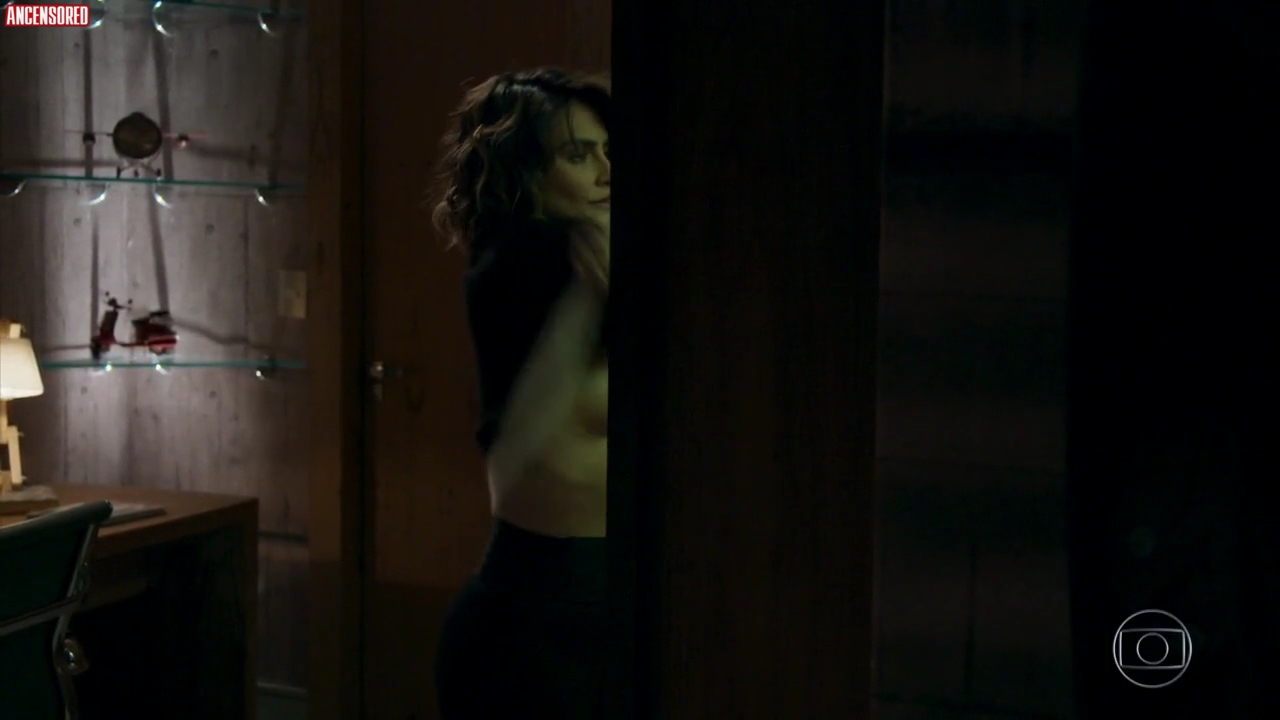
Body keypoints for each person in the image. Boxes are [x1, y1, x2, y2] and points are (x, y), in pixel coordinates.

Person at [428, 67, 611, 719]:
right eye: (578, 155)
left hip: (599, 607)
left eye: (608, 151)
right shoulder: (516, 269)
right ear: (527, 175)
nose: (606, 172)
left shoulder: (597, 261)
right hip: (529, 624)